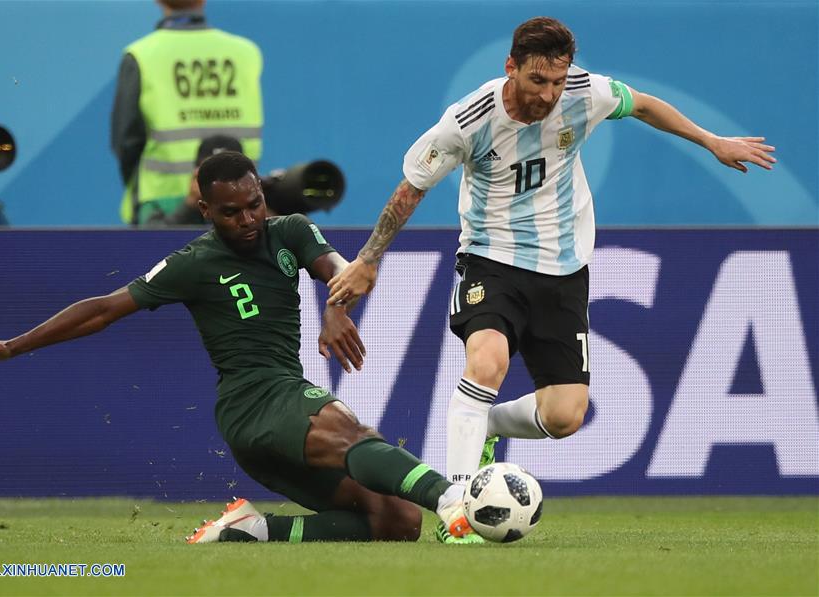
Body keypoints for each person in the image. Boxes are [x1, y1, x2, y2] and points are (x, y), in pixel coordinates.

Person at [326, 16, 776, 543]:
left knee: (565, 416)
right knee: (487, 360)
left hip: (563, 269)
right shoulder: (468, 120)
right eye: (538, 81)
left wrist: (710, 140)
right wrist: (369, 259)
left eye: (558, 81)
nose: (549, 93)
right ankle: (460, 508)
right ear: (510, 68)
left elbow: (646, 105)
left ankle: (487, 426)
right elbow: (410, 190)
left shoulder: (585, 92)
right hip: (491, 260)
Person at [0, 151, 481, 544]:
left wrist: (335, 307)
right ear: (205, 210)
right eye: (231, 212)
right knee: (351, 432)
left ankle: (253, 530)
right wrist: (12, 347)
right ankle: (452, 497)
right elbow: (105, 308)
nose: (247, 219)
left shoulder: (290, 230)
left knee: (396, 523)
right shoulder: (192, 264)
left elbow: (341, 272)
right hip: (254, 403)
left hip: (281, 404)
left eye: (254, 204)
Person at [112, 0, 263, 226]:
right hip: (239, 200)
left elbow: (127, 143)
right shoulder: (245, 53)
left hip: (164, 205)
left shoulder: (142, 55)